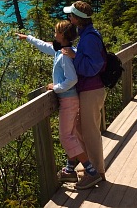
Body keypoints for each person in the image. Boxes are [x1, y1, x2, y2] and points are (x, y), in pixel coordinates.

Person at [16, 21, 97, 186]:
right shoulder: (62, 51)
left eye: (56, 32)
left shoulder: (65, 56)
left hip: (68, 100)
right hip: (69, 100)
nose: (54, 34)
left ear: (62, 36)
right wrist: (28, 38)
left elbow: (72, 79)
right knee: (71, 135)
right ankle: (69, 170)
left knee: (66, 137)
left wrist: (56, 87)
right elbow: (44, 46)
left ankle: (91, 171)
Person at [61, 0, 105, 189]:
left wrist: (74, 56)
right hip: (88, 90)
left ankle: (95, 171)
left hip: (91, 90)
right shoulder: (86, 35)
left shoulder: (90, 38)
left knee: (90, 132)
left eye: (70, 15)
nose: (68, 18)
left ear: (78, 19)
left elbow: (93, 66)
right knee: (81, 129)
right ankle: (91, 169)